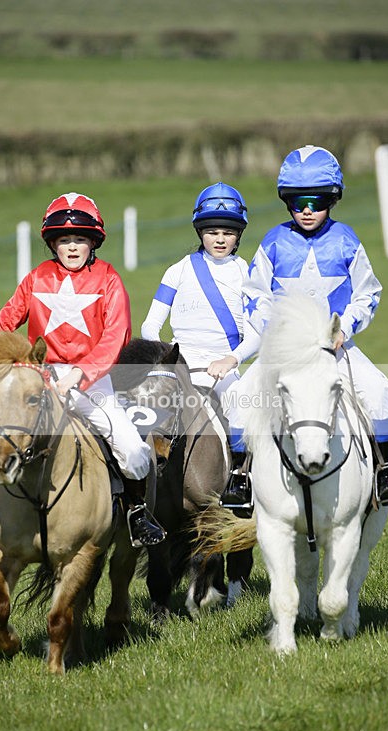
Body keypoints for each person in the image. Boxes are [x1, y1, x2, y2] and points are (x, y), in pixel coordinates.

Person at [0, 192, 166, 547]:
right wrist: (15, 367)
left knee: (133, 449)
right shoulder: (36, 278)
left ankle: (137, 513)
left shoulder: (109, 280)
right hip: (39, 379)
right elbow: (4, 324)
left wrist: (80, 374)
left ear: (93, 242)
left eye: (80, 238)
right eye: (64, 240)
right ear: (53, 244)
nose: (73, 246)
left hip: (93, 382)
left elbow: (116, 336)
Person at [241, 145, 388, 505]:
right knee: (241, 397)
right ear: (286, 201)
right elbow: (254, 294)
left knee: (378, 392)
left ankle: (385, 473)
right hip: (286, 352)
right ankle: (238, 480)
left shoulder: (347, 240)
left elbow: (368, 293)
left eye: (316, 201)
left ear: (332, 200)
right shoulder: (273, 241)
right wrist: (275, 332)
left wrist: (344, 328)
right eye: (297, 201)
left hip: (336, 349)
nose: (306, 210)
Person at [141, 182, 261, 514]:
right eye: (212, 232)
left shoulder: (248, 274)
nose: (220, 239)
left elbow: (257, 334)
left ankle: (240, 481)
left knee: (243, 410)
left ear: (239, 235)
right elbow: (150, 325)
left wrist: (232, 359)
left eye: (228, 232)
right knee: (145, 412)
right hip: (180, 365)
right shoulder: (177, 270)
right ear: (200, 232)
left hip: (224, 368)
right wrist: (168, 355)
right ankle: (139, 493)